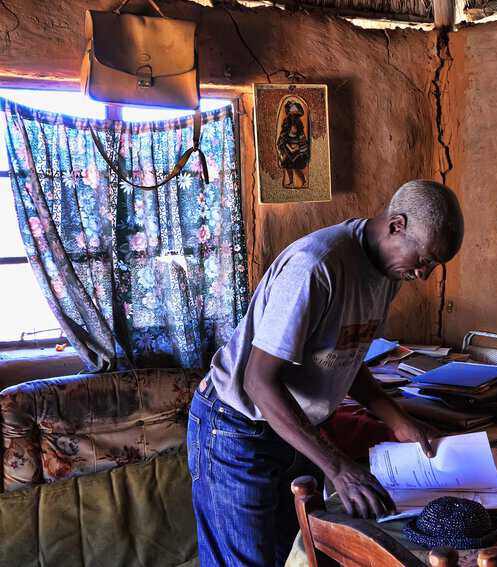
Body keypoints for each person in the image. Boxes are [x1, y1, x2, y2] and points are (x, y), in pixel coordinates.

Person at [187, 179, 464, 566]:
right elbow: (258, 380)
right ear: (396, 225)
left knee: (300, 558)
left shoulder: (386, 272)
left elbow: (347, 355)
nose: (424, 275)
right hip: (237, 428)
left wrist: (397, 419)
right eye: (423, 260)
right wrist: (338, 469)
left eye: (433, 265)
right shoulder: (316, 266)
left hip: (292, 429)